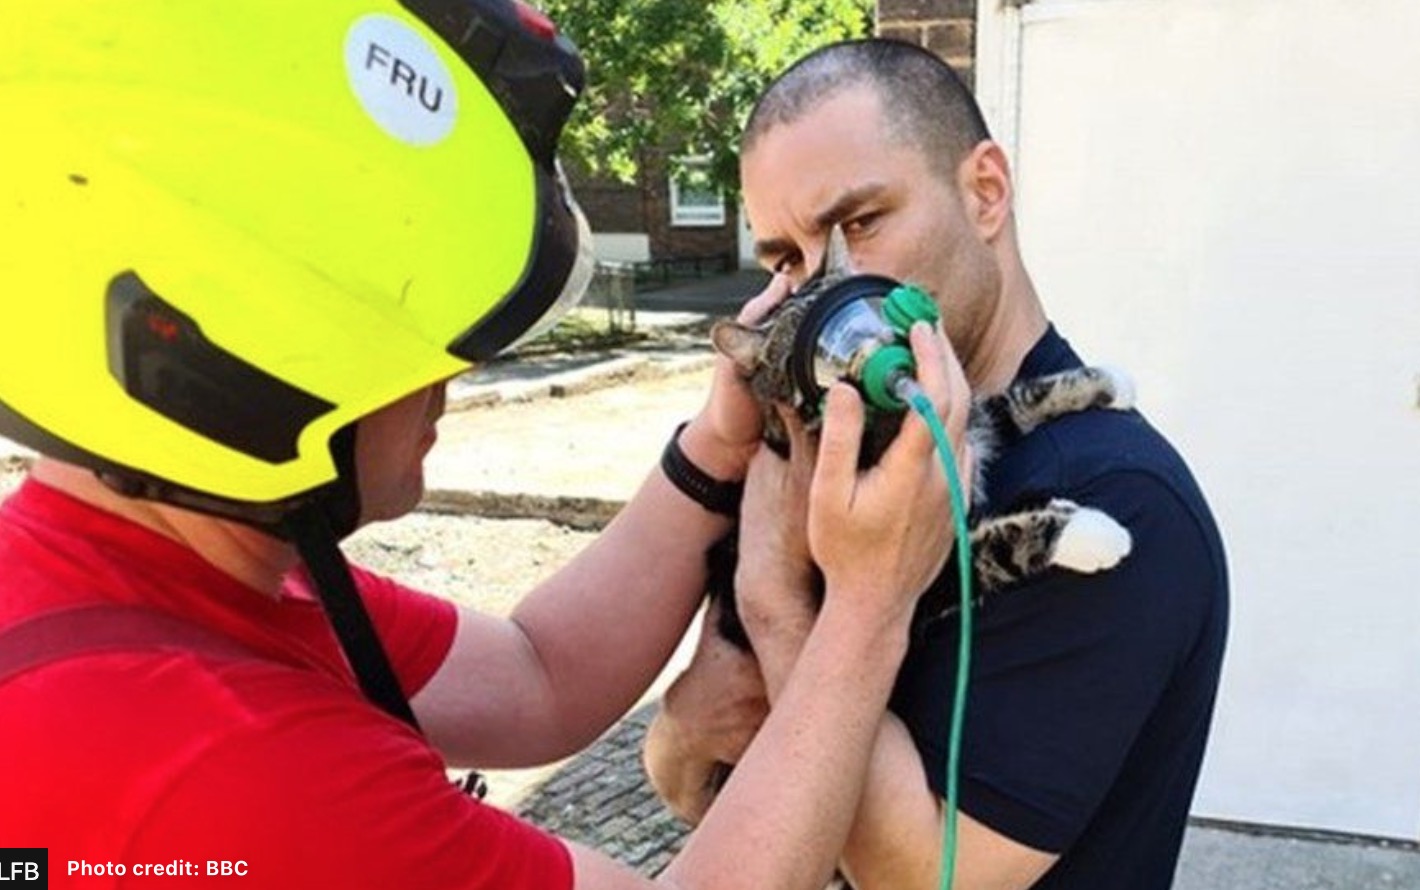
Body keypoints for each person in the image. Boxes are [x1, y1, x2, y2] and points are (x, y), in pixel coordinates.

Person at [0, 9, 973, 890]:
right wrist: (869, 602)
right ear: (243, 380)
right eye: (420, 346)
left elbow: (538, 675)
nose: (449, 387)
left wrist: (717, 441)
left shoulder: (178, 564)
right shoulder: (211, 765)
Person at [643, 38, 1230, 890]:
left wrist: (777, 607)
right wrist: (688, 729)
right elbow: (679, 762)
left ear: (984, 192)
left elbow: (915, 874)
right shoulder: (823, 446)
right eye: (786, 260)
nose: (822, 293)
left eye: (860, 224)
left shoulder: (1117, 498)